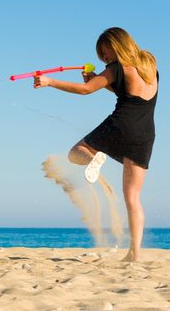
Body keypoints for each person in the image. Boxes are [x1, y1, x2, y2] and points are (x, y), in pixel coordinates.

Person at [33, 27, 158, 262]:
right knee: (133, 198)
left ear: (117, 44)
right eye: (102, 54)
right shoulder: (149, 65)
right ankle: (135, 253)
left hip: (120, 125)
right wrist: (103, 82)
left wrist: (50, 81)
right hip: (144, 134)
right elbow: (130, 92)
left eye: (106, 51)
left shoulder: (115, 67)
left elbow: (84, 90)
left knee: (75, 154)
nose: (105, 57)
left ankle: (94, 157)